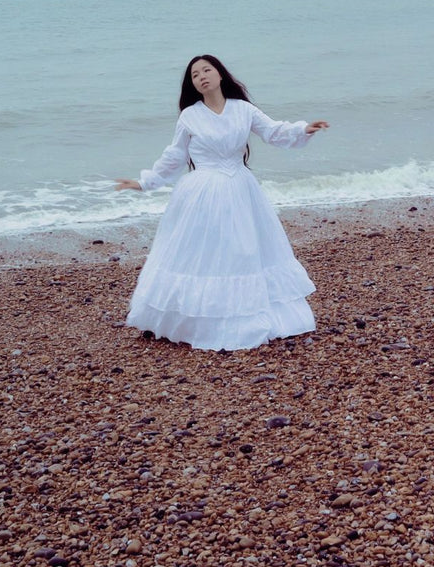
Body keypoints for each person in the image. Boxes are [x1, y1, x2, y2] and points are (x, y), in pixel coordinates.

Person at [115, 55, 329, 350]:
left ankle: (248, 316)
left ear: (219, 75)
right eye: (195, 75)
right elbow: (175, 156)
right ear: (193, 84)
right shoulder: (190, 116)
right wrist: (145, 182)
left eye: (207, 70)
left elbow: (273, 131)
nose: (201, 76)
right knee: (205, 254)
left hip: (241, 189)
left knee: (244, 251)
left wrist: (303, 129)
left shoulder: (243, 109)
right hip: (202, 192)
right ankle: (198, 321)